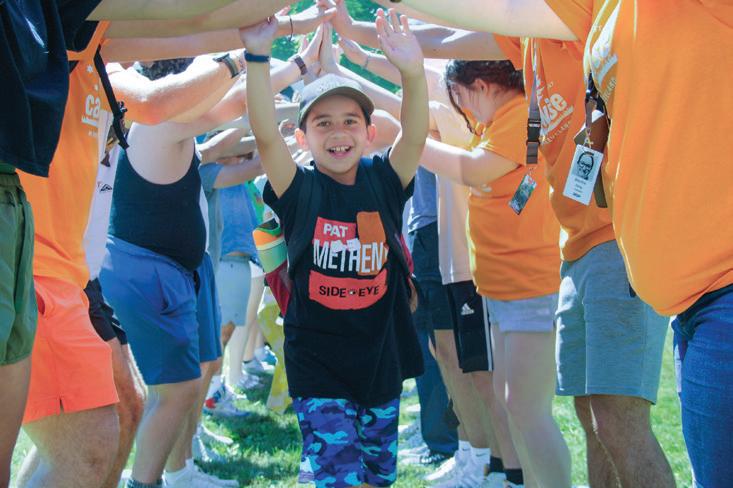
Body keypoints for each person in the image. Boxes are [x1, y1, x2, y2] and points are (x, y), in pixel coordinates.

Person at [343, 2, 677, 486]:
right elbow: (445, 37)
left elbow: (472, 26)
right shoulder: (527, 48)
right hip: (572, 250)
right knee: (591, 415)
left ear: (480, 86)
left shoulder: (565, 22)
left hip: (601, 243)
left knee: (605, 417)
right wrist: (356, 34)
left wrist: (408, 135)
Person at [242, 8, 429, 486]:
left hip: (381, 360)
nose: (339, 132)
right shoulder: (299, 190)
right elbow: (265, 136)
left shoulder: (384, 181)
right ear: (302, 138)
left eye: (350, 120)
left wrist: (412, 72)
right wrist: (258, 56)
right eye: (322, 123)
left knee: (378, 477)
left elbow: (415, 135)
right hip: (318, 364)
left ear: (370, 133)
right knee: (337, 477)